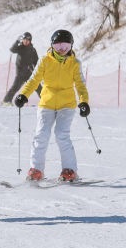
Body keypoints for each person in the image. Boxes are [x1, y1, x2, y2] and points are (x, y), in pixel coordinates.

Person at [14, 29, 90, 182]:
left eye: (66, 46)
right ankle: (36, 170)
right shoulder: (45, 60)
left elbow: (80, 86)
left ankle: (70, 170)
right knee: (41, 135)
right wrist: (24, 95)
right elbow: (34, 80)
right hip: (47, 103)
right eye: (58, 46)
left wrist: (83, 102)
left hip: (67, 105)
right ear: (52, 46)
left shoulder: (75, 63)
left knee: (62, 134)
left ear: (71, 46)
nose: (62, 49)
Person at [1, 32, 40, 105]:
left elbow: (36, 62)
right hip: (20, 74)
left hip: (30, 73)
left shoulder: (33, 50)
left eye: (27, 40)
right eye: (24, 39)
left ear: (30, 41)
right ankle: (6, 101)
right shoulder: (20, 48)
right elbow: (12, 49)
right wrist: (17, 41)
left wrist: (37, 71)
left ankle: (46, 101)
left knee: (38, 87)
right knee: (15, 88)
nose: (26, 41)